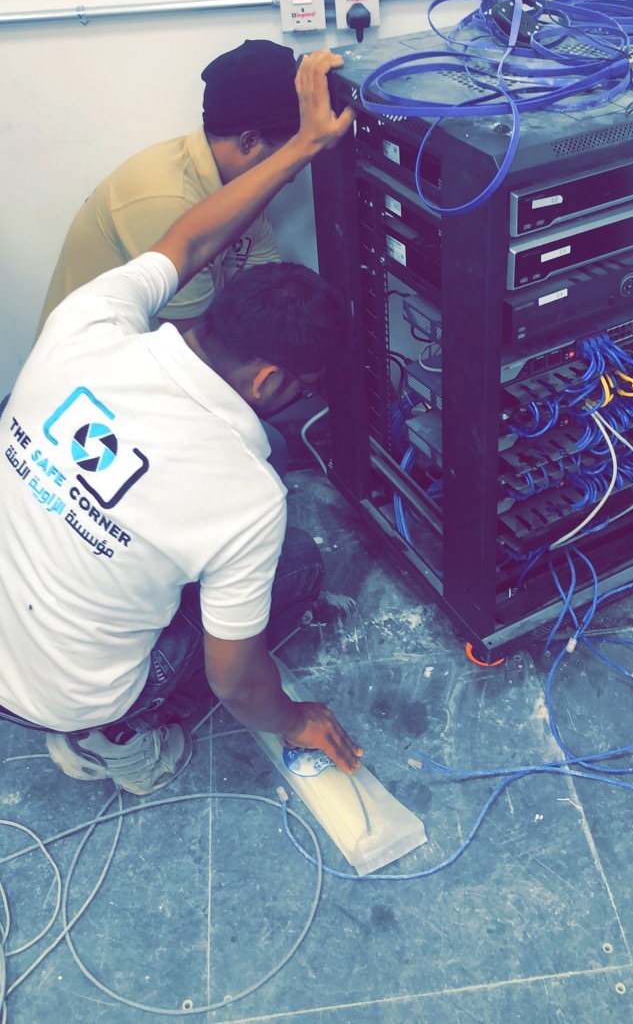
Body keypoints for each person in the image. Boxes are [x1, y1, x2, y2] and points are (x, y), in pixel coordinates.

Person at [0, 50, 362, 796]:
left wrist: (306, 144)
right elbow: (237, 681)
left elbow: (189, 242)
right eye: (303, 388)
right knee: (296, 568)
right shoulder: (247, 497)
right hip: (64, 698)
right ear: (269, 381)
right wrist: (295, 718)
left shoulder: (87, 320)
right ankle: (115, 740)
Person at [36, 38, 308, 477]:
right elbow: (194, 353)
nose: (291, 175)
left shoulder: (236, 187)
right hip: (94, 386)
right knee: (268, 448)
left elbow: (264, 295)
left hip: (157, 361)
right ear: (250, 141)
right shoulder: (165, 197)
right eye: (286, 157)